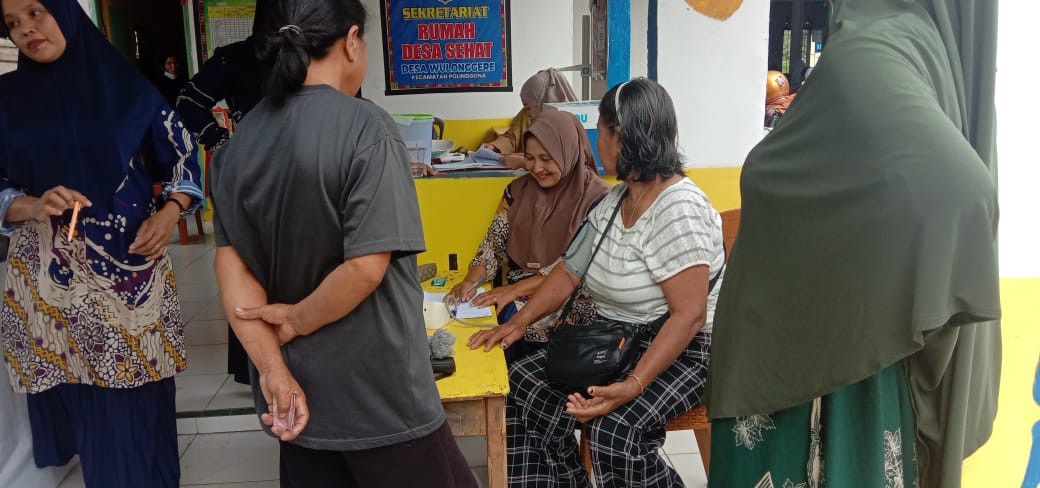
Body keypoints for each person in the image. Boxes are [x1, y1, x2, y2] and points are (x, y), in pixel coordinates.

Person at [706, 0, 1001, 487]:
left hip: (819, 369)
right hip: (837, 356)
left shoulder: (868, 45)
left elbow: (962, 191)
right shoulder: (923, 49)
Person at [209, 1, 476, 486]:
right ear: (351, 41)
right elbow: (365, 269)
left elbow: (234, 274)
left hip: (296, 393)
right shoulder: (367, 129)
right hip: (381, 395)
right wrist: (295, 317)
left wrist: (270, 367)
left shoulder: (237, 145)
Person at [469, 77, 725, 487]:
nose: (597, 141)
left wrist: (632, 384)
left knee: (615, 431)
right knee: (523, 385)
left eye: (601, 131)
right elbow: (569, 271)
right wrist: (518, 324)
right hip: (617, 339)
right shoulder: (615, 202)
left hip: (686, 352)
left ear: (620, 136)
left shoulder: (680, 210)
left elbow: (689, 315)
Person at [0, 0, 204, 486]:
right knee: (96, 407)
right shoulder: (5, 98)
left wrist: (171, 211)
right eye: (11, 23)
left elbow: (183, 158)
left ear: (65, 13)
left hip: (129, 271)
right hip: (51, 277)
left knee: (140, 396)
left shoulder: (129, 89)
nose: (26, 29)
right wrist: (30, 204)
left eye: (35, 12)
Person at [448, 110, 610, 363]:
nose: (537, 168)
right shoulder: (517, 191)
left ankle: (513, 393)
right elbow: (493, 246)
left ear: (568, 153)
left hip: (572, 297)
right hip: (518, 287)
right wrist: (470, 282)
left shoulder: (600, 200)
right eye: (530, 158)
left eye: (547, 159)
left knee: (508, 318)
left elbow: (574, 268)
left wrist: (512, 291)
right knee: (482, 314)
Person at [177, 0, 269, 385]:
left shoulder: (315, 52)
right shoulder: (236, 58)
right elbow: (187, 102)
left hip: (311, 175)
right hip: (252, 177)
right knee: (250, 267)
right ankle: (256, 363)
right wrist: (221, 140)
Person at [177, 0, 268, 150]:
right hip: (254, 162)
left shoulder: (308, 58)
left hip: (308, 165)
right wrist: (222, 146)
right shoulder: (233, 58)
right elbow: (188, 101)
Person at [481, 68, 577, 169]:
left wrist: (526, 162)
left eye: (528, 107)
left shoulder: (574, 123)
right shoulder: (527, 115)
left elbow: (567, 163)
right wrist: (494, 147)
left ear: (541, 102)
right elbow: (512, 137)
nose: (527, 112)